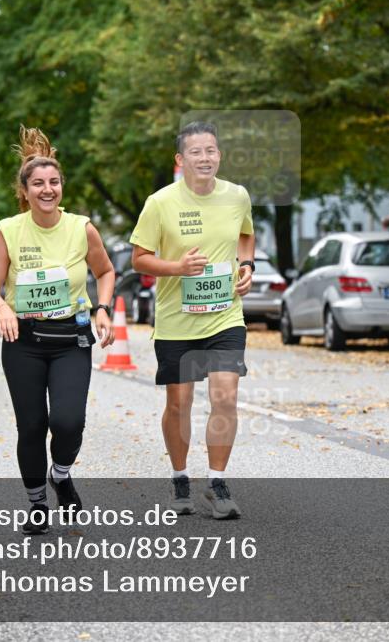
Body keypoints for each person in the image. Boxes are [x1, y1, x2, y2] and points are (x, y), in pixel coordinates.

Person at [0, 127, 115, 535]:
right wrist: (2, 307)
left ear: (62, 187)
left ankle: (61, 473)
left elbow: (105, 271)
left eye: (54, 182)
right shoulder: (10, 230)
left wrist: (104, 309)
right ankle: (37, 503)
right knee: (33, 425)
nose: (47, 189)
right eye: (38, 183)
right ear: (25, 191)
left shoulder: (81, 228)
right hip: (24, 341)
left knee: (69, 420)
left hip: (71, 340)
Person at [130, 121, 254, 520]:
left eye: (212, 150)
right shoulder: (160, 202)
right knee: (179, 403)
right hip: (176, 321)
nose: (206, 158)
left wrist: (247, 264)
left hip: (225, 316)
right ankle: (180, 476)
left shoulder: (237, 196)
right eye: (197, 152)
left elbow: (246, 236)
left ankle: (216, 483)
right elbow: (139, 258)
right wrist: (177, 267)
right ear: (180, 160)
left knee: (225, 396)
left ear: (220, 155)